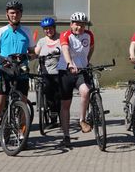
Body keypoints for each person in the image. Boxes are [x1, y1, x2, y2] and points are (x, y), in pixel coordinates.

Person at [0, 0, 36, 154]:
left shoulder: (27, 31)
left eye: (17, 12)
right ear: (7, 14)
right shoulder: (0, 31)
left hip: (21, 73)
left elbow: (33, 53)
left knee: (22, 103)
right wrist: (1, 60)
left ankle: (21, 136)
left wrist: (27, 55)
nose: (15, 15)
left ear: (21, 14)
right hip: (5, 72)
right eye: (12, 12)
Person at [56, 12, 95, 148]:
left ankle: (82, 120)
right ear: (71, 24)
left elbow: (91, 48)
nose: (79, 27)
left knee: (86, 91)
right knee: (65, 104)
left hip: (81, 71)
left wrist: (87, 61)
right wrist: (69, 63)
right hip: (65, 71)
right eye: (77, 24)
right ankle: (66, 136)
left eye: (82, 25)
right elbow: (65, 49)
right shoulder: (66, 35)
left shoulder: (89, 35)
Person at [34, 17, 61, 129]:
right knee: (48, 90)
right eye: (46, 29)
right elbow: (36, 52)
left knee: (59, 95)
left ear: (54, 28)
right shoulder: (42, 41)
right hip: (45, 71)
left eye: (50, 28)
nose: (48, 30)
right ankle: (53, 117)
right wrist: (30, 53)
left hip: (59, 70)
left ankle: (61, 115)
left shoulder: (61, 38)